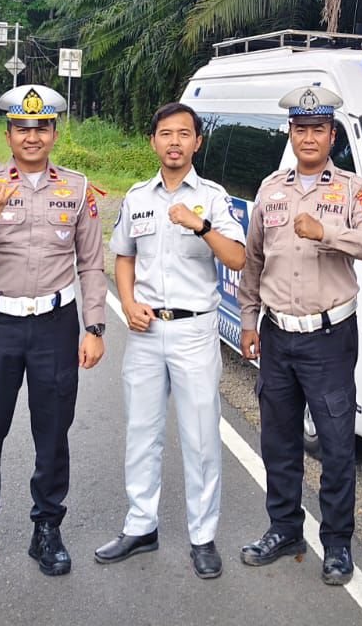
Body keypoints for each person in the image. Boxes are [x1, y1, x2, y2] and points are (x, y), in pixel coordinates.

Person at [0, 83, 107, 584]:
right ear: (8, 133)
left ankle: (47, 528)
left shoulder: (77, 188)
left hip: (55, 327)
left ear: (55, 133)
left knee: (52, 431)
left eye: (41, 127)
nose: (32, 136)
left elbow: (92, 265)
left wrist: (95, 326)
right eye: (22, 127)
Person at [238, 84, 362, 585]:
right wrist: (247, 317)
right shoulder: (269, 188)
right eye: (300, 128)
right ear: (291, 132)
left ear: (332, 135)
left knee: (336, 443)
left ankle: (338, 544)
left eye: (318, 129)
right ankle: (283, 528)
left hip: (329, 336)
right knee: (278, 440)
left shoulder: (351, 189)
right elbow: (253, 260)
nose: (309, 136)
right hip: (277, 333)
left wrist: (327, 233)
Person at [94, 102, 247, 578]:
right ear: (153, 141)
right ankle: (141, 525)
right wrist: (128, 301)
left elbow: (238, 258)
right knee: (142, 432)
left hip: (193, 331)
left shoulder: (215, 198)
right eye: (166, 133)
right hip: (144, 330)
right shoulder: (139, 197)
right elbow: (122, 256)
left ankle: (202, 536)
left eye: (184, 133)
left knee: (200, 436)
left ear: (198, 142)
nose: (175, 142)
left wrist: (199, 225)